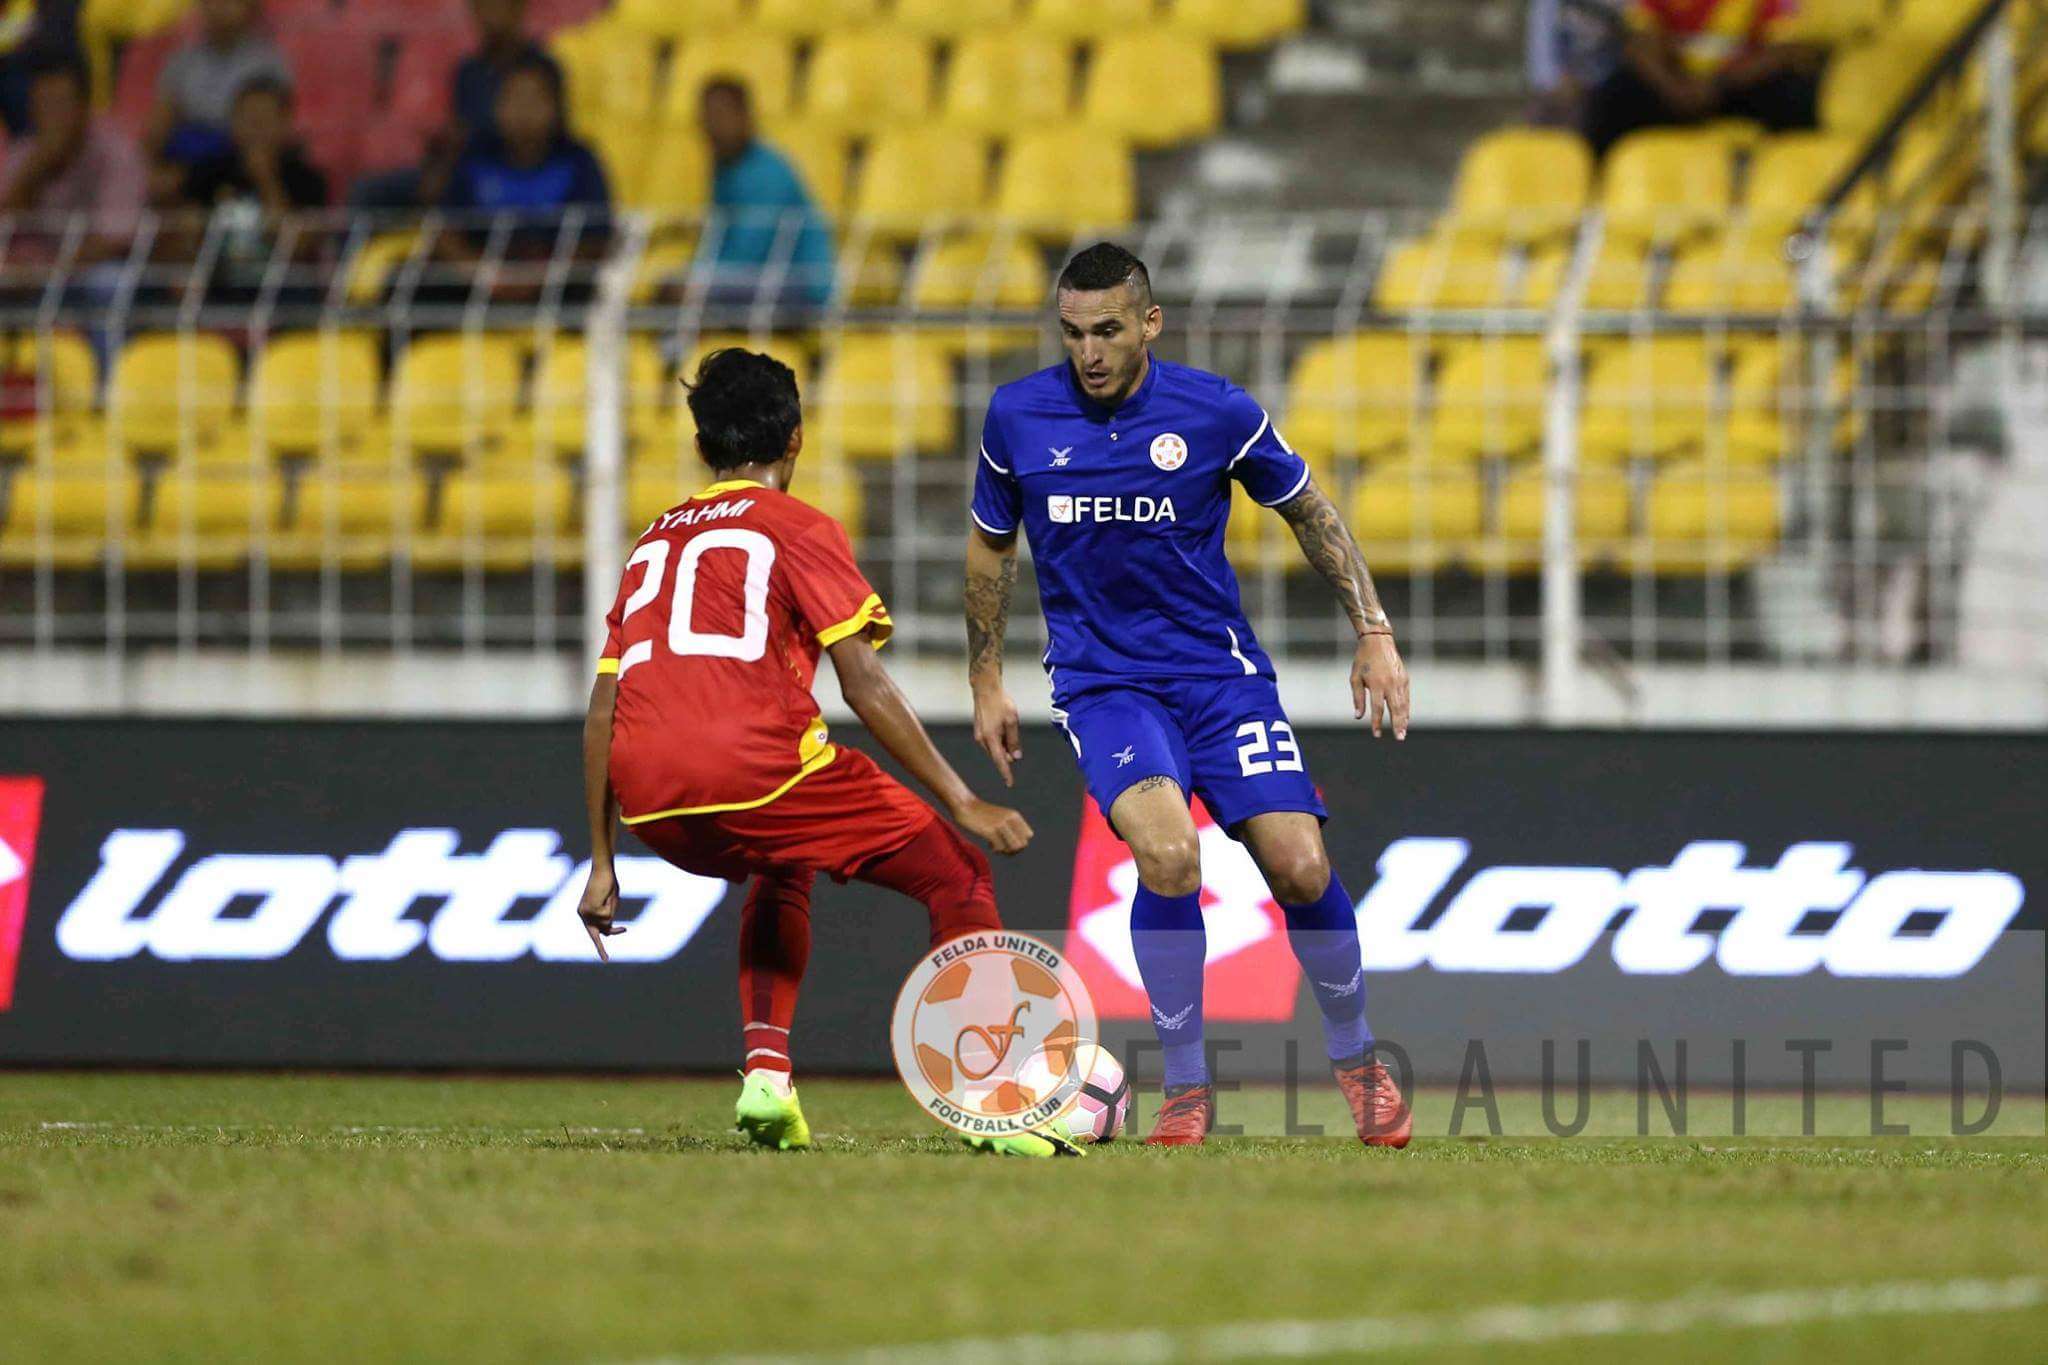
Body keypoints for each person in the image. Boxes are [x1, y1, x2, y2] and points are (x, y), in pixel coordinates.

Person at [963, 243, 1415, 1149]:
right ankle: (1187, 1086)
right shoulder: (1018, 417)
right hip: (1105, 685)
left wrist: (1373, 630)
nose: (1088, 352)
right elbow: (990, 547)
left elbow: (1310, 511)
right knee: (1168, 857)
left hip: (1220, 678)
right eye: (1072, 333)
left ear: (1149, 324)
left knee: (1301, 866)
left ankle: (1359, 1058)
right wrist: (985, 678)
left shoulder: (1215, 412)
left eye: (1107, 331)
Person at [572, 349, 1071, 1158]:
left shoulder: (650, 543)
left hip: (650, 799)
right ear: (797, 439)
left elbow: (603, 707)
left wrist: (600, 860)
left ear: (702, 448)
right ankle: (997, 1095)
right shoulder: (798, 525)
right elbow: (864, 684)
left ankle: (767, 1077)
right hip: (756, 769)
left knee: (780, 864)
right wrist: (960, 797)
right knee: (957, 872)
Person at [350, 0, 564, 211]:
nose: (490, 15)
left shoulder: (540, 67)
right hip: (468, 166)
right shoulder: (469, 71)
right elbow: (460, 131)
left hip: (511, 167)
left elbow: (554, 133)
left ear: (518, 9)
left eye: (499, 5)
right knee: (369, 191)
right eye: (482, 7)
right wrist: (441, 166)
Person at [436, 53, 608, 302]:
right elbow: (445, 232)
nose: (524, 112)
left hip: (554, 284)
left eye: (535, 100)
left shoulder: (579, 161)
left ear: (558, 106)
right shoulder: (474, 157)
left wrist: (538, 278)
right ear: (496, 106)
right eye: (514, 99)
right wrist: (483, 273)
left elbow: (596, 241)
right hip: (484, 279)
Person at [1582, 0, 1824, 155]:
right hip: (1673, 87)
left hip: (1738, 87)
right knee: (1613, 96)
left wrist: (1719, 86)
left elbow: (1783, 50)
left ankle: (1795, 190)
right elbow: (1640, 41)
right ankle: (1599, 201)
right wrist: (1672, 87)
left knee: (1796, 93)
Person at [691, 79, 833, 310]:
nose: (712, 125)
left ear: (745, 116)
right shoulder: (725, 167)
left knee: (686, 292)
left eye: (720, 115)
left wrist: (698, 282)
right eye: (706, 117)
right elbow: (719, 240)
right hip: (754, 278)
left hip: (800, 285)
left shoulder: (766, 172)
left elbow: (749, 250)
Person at [144, 0, 293, 168]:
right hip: (189, 163)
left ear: (251, 8)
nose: (218, 8)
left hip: (243, 161)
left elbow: (272, 127)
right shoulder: (183, 59)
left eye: (228, 2)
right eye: (210, 2)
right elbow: (160, 123)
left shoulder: (267, 62)